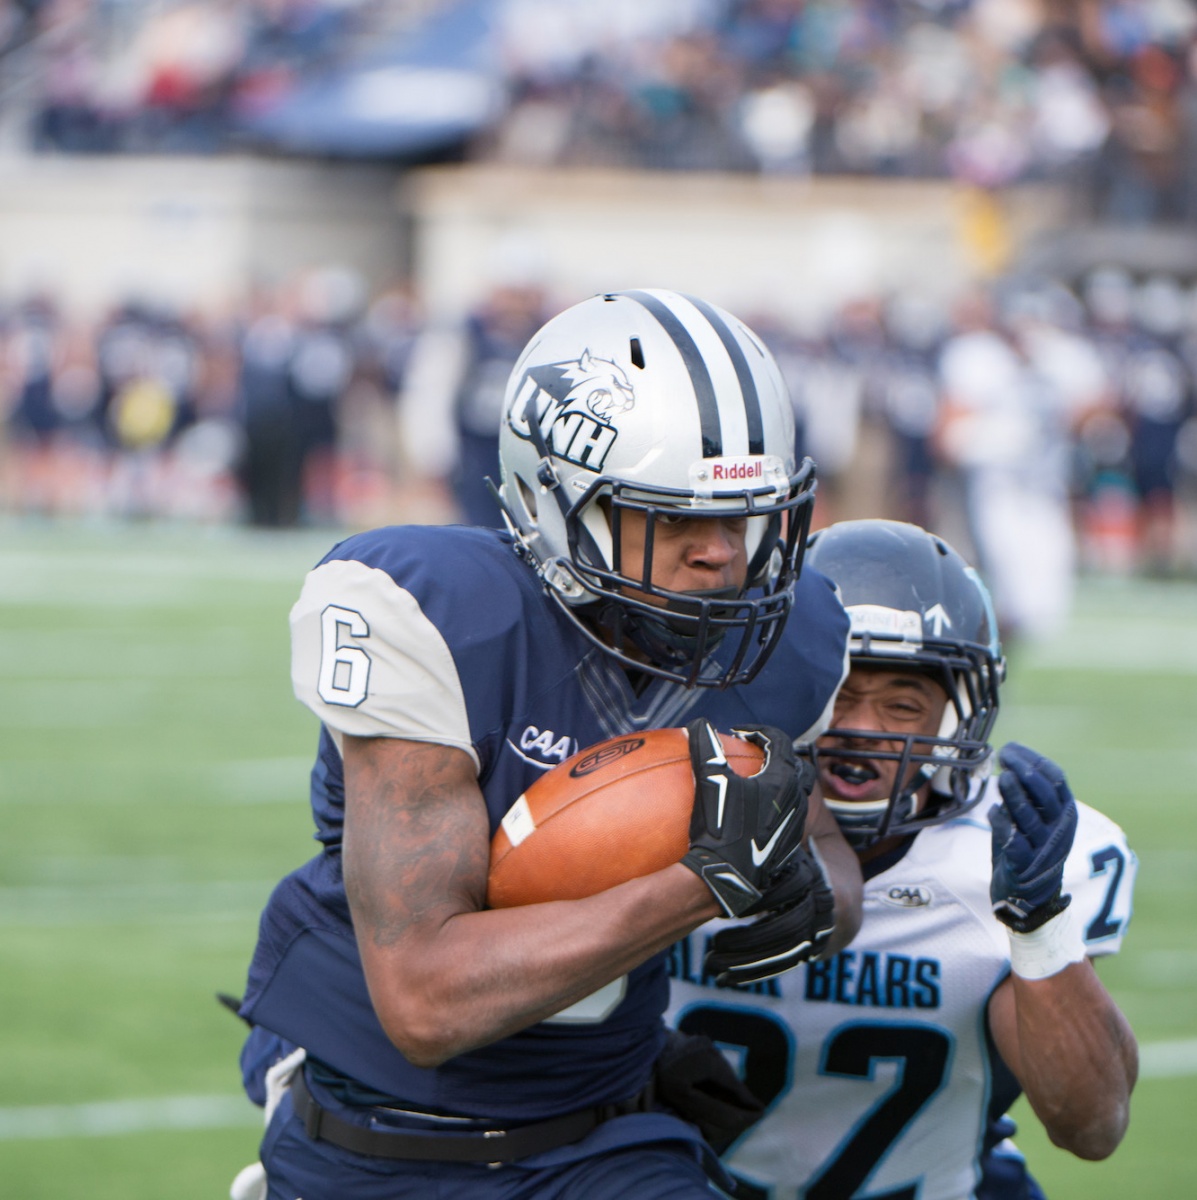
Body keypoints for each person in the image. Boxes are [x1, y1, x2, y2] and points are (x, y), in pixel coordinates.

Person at [230, 288, 864, 1200]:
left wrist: (810, 895)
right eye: (676, 517)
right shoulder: (439, 617)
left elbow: (826, 857)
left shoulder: (785, 640)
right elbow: (425, 998)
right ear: (556, 502)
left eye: (747, 516)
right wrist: (700, 884)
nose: (724, 555)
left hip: (606, 1133)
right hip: (376, 1143)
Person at [667, 518, 1138, 1200]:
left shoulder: (1003, 856)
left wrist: (1041, 927)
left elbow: (1090, 1128)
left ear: (958, 715)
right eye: (839, 695)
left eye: (902, 705)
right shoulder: (666, 812)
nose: (862, 731)